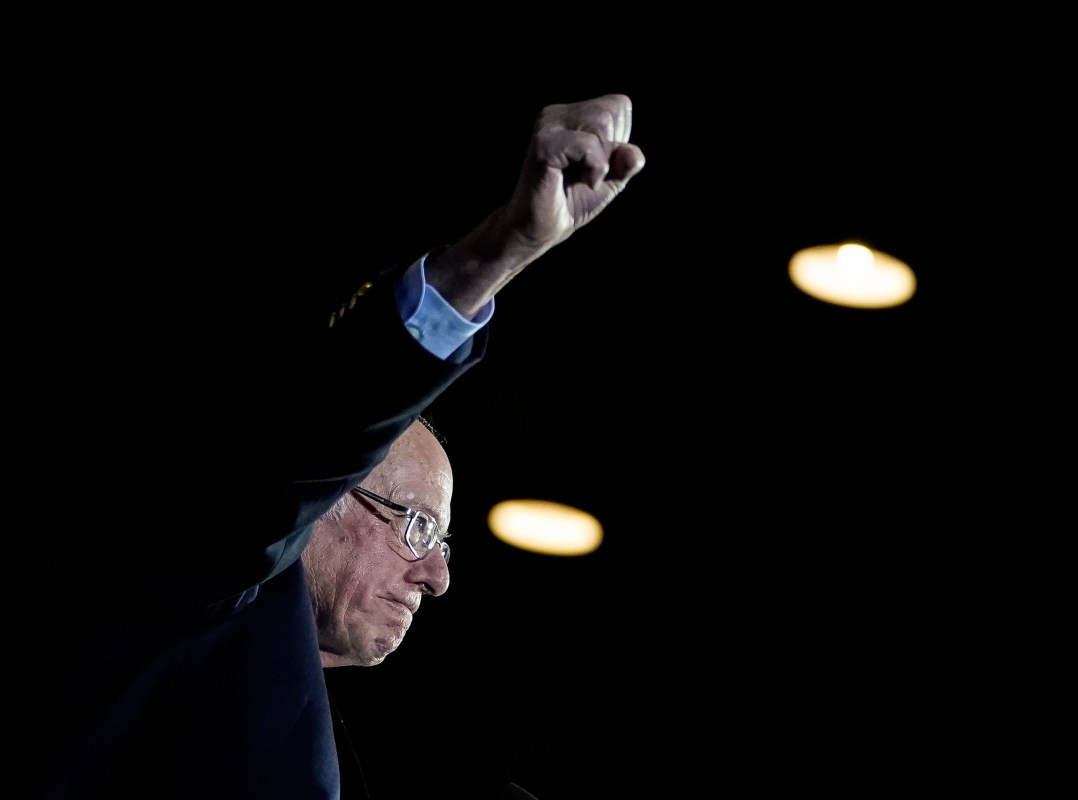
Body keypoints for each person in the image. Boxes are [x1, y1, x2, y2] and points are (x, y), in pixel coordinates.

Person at [41, 92, 645, 800]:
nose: (437, 579)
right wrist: (496, 251)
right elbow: (308, 439)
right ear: (323, 499)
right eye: (417, 526)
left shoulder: (381, 751)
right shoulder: (189, 574)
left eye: (443, 544)